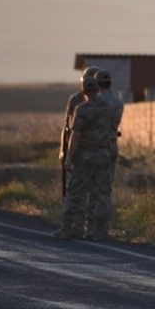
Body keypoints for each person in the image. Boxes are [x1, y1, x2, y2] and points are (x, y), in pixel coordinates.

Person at [53, 74, 112, 240]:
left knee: (75, 192)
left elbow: (76, 134)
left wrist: (69, 157)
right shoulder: (108, 108)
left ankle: (68, 229)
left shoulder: (82, 109)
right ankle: (99, 231)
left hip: (85, 155)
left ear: (84, 91)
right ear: (98, 90)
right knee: (102, 194)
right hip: (103, 154)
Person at [92, 68, 125, 241]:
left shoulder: (94, 102)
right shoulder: (118, 101)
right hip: (111, 145)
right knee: (106, 188)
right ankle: (103, 229)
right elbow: (115, 124)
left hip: (95, 148)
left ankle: (90, 227)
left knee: (92, 188)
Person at [59, 66, 100, 198]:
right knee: (75, 186)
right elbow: (66, 126)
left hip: (94, 148)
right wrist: (62, 150)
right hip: (76, 148)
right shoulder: (75, 100)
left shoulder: (103, 102)